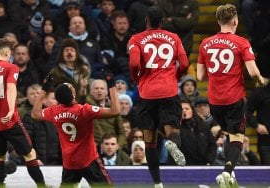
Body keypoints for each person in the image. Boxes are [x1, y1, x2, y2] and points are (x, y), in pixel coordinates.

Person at [196, 4, 265, 188]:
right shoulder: (242, 42)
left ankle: (230, 173)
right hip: (233, 99)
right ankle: (226, 173)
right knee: (237, 138)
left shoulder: (205, 43)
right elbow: (252, 71)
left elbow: (200, 76)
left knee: (229, 135)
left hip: (214, 101)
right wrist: (260, 79)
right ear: (235, 21)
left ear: (219, 21)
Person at [128, 6, 189, 188]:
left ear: (146, 20)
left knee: (150, 141)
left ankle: (157, 183)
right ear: (162, 22)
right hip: (169, 91)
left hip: (147, 93)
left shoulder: (136, 39)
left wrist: (137, 79)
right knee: (173, 133)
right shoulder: (174, 37)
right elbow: (185, 63)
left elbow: (133, 63)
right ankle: (172, 143)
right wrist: (174, 77)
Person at [0, 38, 46, 187]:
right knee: (30, 154)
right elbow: (11, 88)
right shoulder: (11, 67)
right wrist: (11, 109)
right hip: (10, 121)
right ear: (7, 52)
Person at [31, 72, 120, 187]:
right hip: (89, 159)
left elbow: (35, 114)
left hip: (70, 162)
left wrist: (44, 89)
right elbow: (115, 111)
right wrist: (112, 85)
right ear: (73, 95)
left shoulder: (53, 111)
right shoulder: (84, 110)